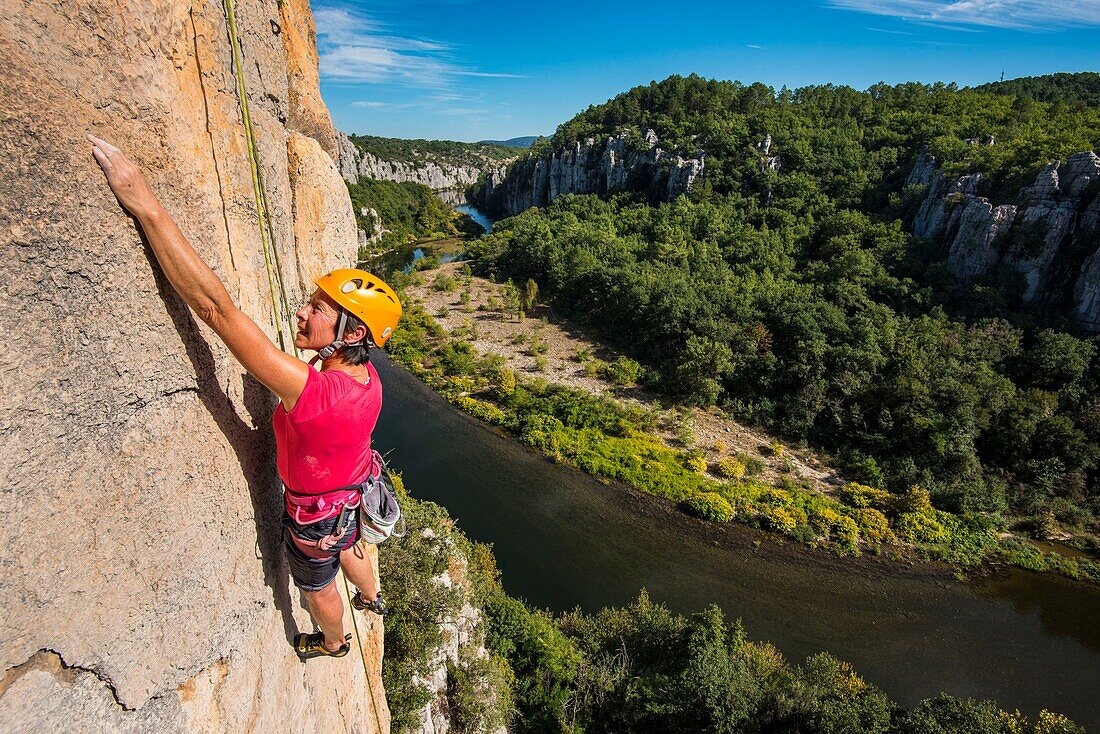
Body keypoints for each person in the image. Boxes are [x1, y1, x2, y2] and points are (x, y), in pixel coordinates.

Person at [88, 134, 401, 660]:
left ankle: (332, 641)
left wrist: (144, 201)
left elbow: (216, 310)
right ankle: (372, 596)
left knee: (318, 582)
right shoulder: (366, 378)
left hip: (316, 511)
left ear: (350, 334)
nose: (303, 313)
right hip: (353, 486)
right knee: (350, 544)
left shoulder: (316, 390)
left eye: (317, 310)